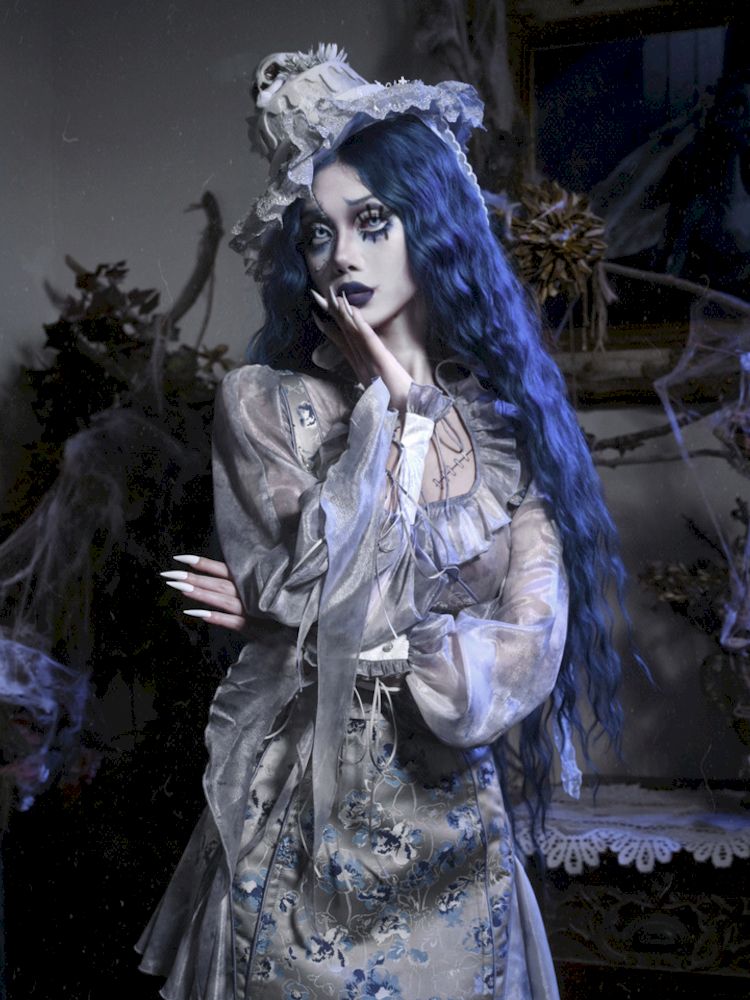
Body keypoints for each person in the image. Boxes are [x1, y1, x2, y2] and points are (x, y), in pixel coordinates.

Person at [137, 45, 627, 1000]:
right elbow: (334, 596)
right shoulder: (266, 405)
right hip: (308, 829)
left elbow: (529, 647)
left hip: (457, 836)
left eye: (371, 221)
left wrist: (314, 626)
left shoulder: (510, 435)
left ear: (431, 228)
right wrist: (393, 425)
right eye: (319, 233)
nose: (343, 256)